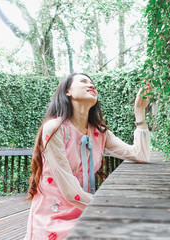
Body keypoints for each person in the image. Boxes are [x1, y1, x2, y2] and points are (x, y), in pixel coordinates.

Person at [25, 73, 151, 240]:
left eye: (92, 83)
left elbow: (140, 154)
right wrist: (112, 209)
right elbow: (70, 193)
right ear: (68, 91)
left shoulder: (99, 133)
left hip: (85, 209)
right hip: (53, 218)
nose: (91, 85)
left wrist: (140, 110)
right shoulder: (55, 128)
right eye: (83, 81)